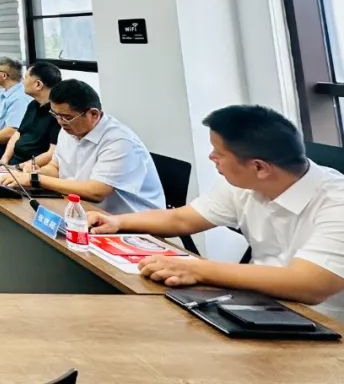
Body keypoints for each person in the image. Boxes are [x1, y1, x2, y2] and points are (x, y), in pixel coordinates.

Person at [88, 106, 344, 322]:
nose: (211, 157)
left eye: (219, 153)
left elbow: (309, 284)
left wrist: (200, 270)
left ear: (259, 167)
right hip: (259, 307)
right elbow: (182, 219)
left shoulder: (336, 202)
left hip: (324, 327)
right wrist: (117, 221)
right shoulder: (246, 185)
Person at [0, 79, 164, 214]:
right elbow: (56, 167)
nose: (60, 122)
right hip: (86, 211)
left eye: (66, 117)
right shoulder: (68, 130)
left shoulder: (119, 141)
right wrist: (34, 173)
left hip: (130, 224)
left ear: (93, 114)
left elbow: (96, 191)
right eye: (55, 115)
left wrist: (35, 180)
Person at [0, 61, 62, 167]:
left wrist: (18, 168)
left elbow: (51, 153)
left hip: (31, 167)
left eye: (26, 78)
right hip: (14, 161)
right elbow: (17, 134)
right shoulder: (33, 105)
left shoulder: (58, 113)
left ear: (38, 85)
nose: (22, 82)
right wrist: (4, 160)